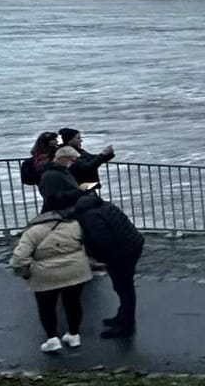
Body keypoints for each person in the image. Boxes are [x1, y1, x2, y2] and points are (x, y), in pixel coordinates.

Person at [9, 207, 92, 353]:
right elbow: (87, 243)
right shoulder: (74, 225)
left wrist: (24, 273)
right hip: (76, 270)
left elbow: (19, 259)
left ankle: (52, 339)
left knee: (47, 307)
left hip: (45, 274)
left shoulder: (32, 232)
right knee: (73, 303)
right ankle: (73, 335)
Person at [72, 191, 145, 338]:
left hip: (122, 252)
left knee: (124, 288)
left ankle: (126, 325)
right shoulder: (103, 205)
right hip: (132, 244)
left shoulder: (90, 217)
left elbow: (102, 241)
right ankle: (122, 316)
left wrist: (97, 259)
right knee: (124, 287)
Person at [38, 146, 85, 213]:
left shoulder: (62, 171)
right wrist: (79, 191)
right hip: (59, 212)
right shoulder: (50, 175)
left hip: (67, 209)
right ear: (63, 158)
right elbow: (53, 198)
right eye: (72, 160)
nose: (73, 163)